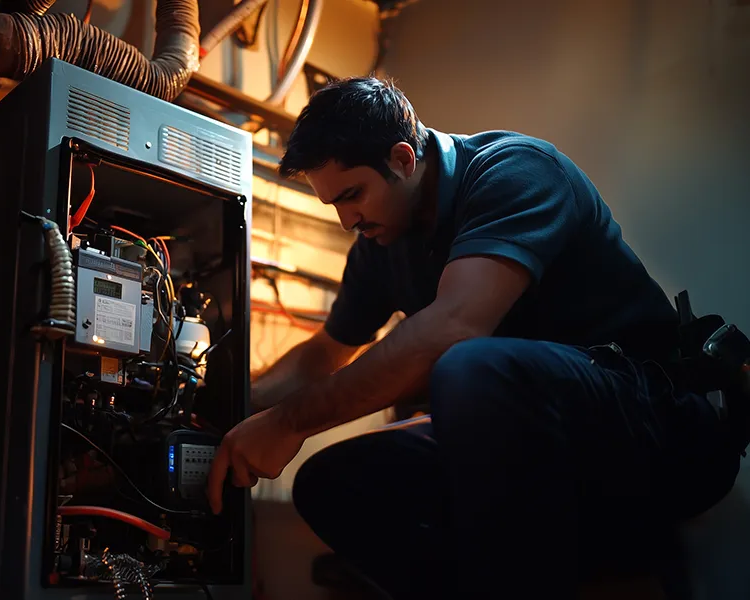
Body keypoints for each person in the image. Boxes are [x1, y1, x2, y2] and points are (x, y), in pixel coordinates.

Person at [206, 77, 741, 598]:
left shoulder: (516, 172)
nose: (347, 220)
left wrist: (291, 422)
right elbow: (324, 353)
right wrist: (232, 408)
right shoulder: (378, 246)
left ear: (402, 158)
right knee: (330, 484)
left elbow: (452, 329)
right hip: (540, 440)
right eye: (334, 206)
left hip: (660, 423)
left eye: (352, 195)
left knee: (470, 368)